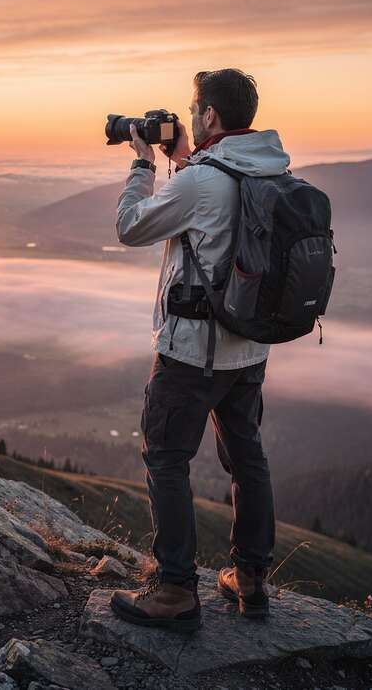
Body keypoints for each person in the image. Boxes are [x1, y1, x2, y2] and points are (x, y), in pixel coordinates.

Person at [109, 69, 290, 633]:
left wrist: (143, 165)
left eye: (194, 109)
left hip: (192, 351)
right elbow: (215, 203)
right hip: (249, 347)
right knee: (246, 457)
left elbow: (130, 227)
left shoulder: (202, 181)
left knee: (166, 458)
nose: (189, 116)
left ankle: (175, 590)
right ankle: (252, 579)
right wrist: (185, 157)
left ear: (209, 114)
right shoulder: (269, 168)